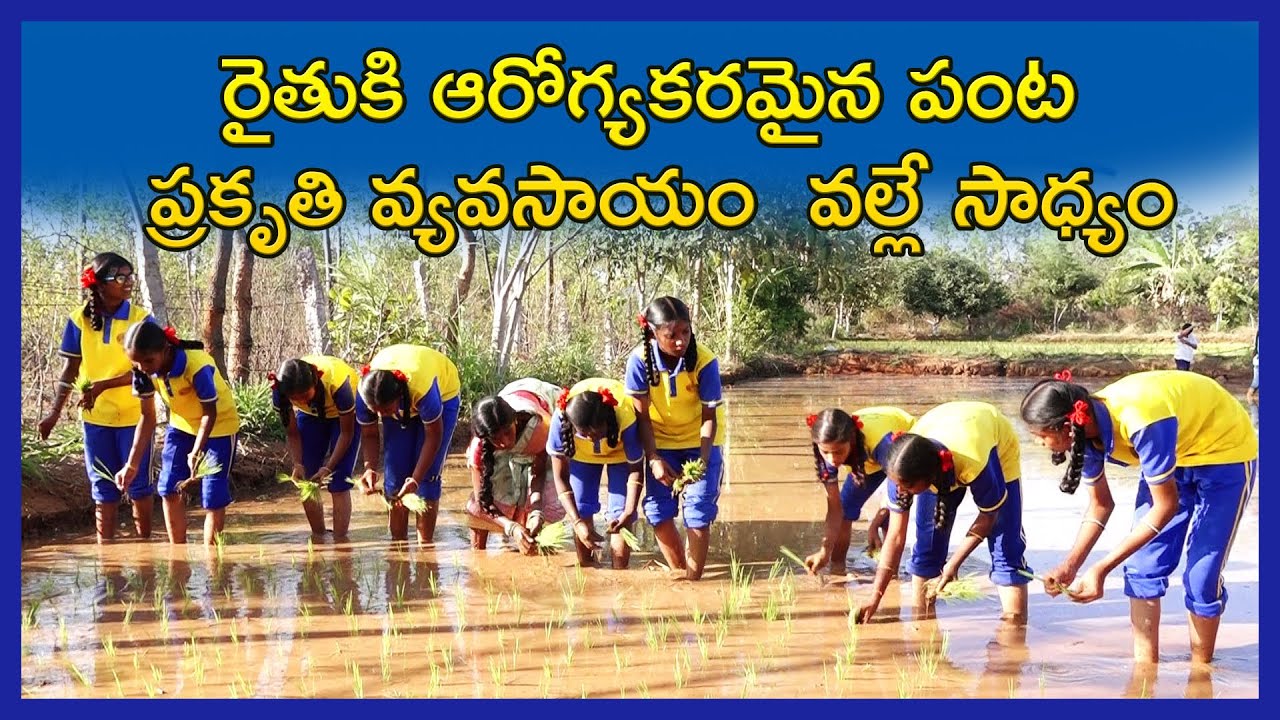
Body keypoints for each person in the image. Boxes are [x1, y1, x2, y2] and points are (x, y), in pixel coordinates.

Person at [1020, 369, 1258, 664]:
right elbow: (1100, 505)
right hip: (1176, 452)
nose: (1038, 444)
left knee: (1201, 576)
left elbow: (1165, 507)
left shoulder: (1141, 420)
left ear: (1068, 425)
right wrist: (1071, 565)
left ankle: (1200, 674)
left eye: (1041, 435)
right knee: (1142, 566)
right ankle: (1146, 672)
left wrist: (1101, 569)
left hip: (1225, 453)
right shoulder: (1087, 432)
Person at [856, 401, 1031, 625]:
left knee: (1006, 548)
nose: (900, 491)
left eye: (906, 487)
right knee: (927, 548)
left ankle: (1014, 632)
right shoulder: (900, 468)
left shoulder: (975, 463)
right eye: (896, 484)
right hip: (943, 430)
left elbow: (989, 515)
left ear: (928, 479)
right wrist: (875, 597)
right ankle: (924, 625)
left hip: (988, 439)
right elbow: (896, 537)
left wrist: (954, 563)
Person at [38, 253, 157, 542]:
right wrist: (54, 413)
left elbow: (150, 367)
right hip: (95, 419)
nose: (129, 282)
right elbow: (70, 369)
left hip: (135, 417)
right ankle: (108, 554)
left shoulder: (140, 319)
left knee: (139, 485)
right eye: (121, 277)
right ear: (100, 285)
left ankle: (146, 549)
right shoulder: (78, 320)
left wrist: (105, 385)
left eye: (130, 276)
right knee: (103, 487)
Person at [625, 297, 725, 580]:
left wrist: (703, 462)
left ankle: (694, 582)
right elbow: (641, 418)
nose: (680, 341)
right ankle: (679, 572)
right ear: (652, 334)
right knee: (658, 511)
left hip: (701, 440)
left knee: (698, 511)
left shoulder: (705, 361)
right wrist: (654, 458)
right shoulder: (638, 362)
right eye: (671, 336)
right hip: (661, 442)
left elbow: (709, 417)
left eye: (685, 332)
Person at [117, 322, 240, 545]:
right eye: (136, 362)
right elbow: (147, 418)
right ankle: (178, 558)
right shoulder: (143, 372)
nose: (143, 367)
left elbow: (209, 413)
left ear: (165, 350)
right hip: (181, 425)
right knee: (167, 487)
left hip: (219, 426)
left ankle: (213, 566)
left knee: (212, 494)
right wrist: (131, 465)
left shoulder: (196, 366)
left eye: (148, 361)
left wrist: (196, 450)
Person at [355, 344, 462, 544]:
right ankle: (398, 545)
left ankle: (426, 548)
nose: (380, 416)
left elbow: (433, 437)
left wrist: (415, 479)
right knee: (394, 479)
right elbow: (369, 434)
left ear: (399, 398)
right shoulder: (366, 394)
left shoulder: (423, 389)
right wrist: (369, 468)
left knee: (428, 478)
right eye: (375, 410)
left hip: (444, 394)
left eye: (385, 410)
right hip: (395, 396)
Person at [799, 407, 915, 576]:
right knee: (846, 509)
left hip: (902, 450)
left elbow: (900, 518)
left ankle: (892, 576)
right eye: (826, 452)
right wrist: (825, 551)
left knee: (895, 515)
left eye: (838, 452)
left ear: (852, 441)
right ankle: (837, 570)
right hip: (868, 458)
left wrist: (879, 520)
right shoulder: (826, 451)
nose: (832, 459)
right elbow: (835, 509)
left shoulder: (885, 445)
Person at [547, 379, 645, 568]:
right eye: (585, 434)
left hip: (620, 456)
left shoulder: (625, 415)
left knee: (620, 515)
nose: (592, 438)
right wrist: (576, 522)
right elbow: (560, 477)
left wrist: (630, 510)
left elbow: (636, 470)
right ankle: (587, 567)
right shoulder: (561, 420)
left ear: (608, 421)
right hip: (583, 458)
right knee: (581, 507)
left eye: (598, 432)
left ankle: (620, 574)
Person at [465, 378, 567, 553]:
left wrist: (536, 511)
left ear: (516, 421)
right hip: (515, 402)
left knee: (550, 502)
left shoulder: (540, 427)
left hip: (546, 408)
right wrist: (510, 527)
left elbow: (539, 471)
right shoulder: (480, 448)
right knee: (480, 506)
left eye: (507, 433)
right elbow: (483, 501)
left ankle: (542, 553)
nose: (504, 442)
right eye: (496, 439)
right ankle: (478, 553)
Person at [270, 355, 361, 537]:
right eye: (295, 398)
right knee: (307, 479)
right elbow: (293, 433)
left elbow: (346, 434)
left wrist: (328, 468)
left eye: (304, 395)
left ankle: (340, 541)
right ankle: (318, 536)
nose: (301, 400)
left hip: (344, 418)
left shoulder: (338, 385)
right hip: (311, 415)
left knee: (339, 480)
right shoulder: (280, 391)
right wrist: (298, 463)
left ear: (315, 382)